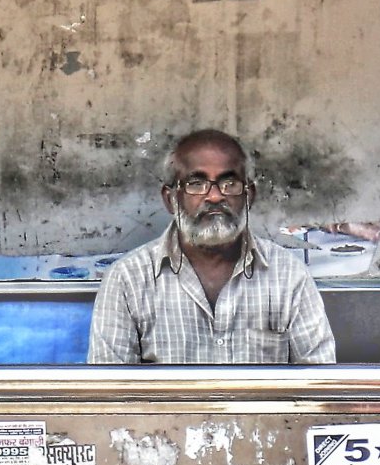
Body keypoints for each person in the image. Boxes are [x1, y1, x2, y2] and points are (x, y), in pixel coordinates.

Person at [87, 129, 336, 364]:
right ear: (171, 198)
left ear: (249, 196)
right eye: (196, 184)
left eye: (229, 184)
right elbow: (109, 397)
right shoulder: (127, 280)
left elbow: (320, 385)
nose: (215, 196)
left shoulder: (289, 276)